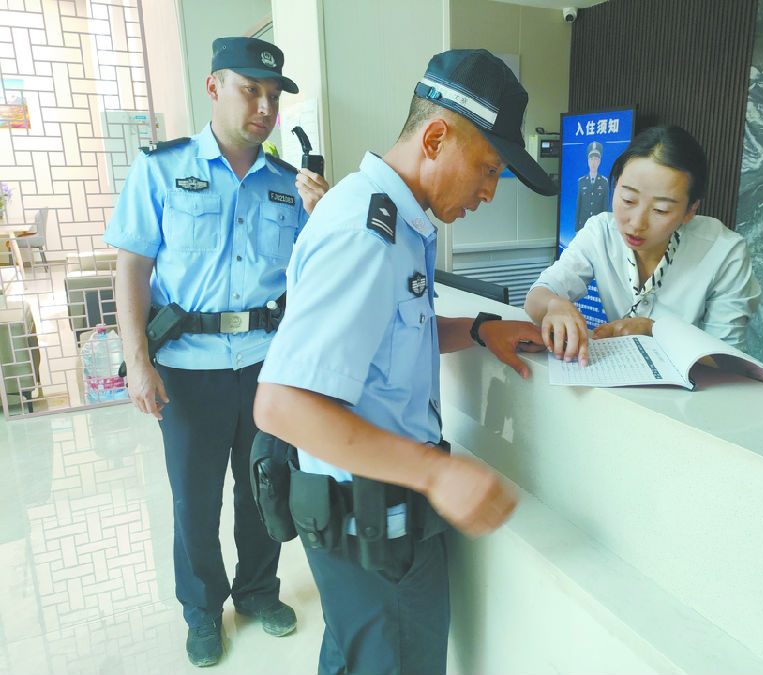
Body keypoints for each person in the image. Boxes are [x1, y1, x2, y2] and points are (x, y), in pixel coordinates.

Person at [253, 49, 556, 674]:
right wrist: (438, 474)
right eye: (488, 168)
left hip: (368, 520)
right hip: (370, 527)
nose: (489, 191)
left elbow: (386, 338)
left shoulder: (392, 220)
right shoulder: (364, 234)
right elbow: (282, 405)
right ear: (436, 137)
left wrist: (479, 329)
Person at [103, 37, 328, 667]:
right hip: (187, 367)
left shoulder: (289, 184)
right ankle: (202, 609)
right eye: (250, 90)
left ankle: (258, 592)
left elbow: (316, 277)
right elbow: (131, 268)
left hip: (265, 365)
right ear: (214, 87)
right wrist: (138, 362)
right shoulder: (161, 169)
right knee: (194, 499)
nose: (265, 108)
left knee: (264, 486)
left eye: (273, 95)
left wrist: (325, 214)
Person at [525, 125, 760, 366]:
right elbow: (536, 296)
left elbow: (727, 359)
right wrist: (554, 304)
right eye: (628, 200)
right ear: (615, 186)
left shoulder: (724, 252)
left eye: (661, 210)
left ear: (690, 210)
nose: (637, 224)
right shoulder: (601, 232)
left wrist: (654, 331)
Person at [574, 140, 609, 232]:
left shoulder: (604, 182)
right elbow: (579, 206)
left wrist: (604, 228)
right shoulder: (581, 181)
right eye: (591, 159)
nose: (593, 162)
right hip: (583, 226)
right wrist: (577, 228)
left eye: (596, 159)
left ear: (599, 161)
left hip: (598, 226)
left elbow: (605, 208)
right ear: (588, 161)